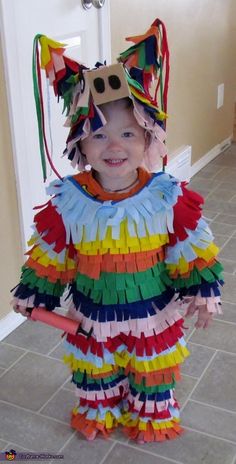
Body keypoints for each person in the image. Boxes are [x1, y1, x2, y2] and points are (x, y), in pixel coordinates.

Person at [11, 19, 223, 444]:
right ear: (79, 146)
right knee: (95, 371)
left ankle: (151, 413)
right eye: (98, 134)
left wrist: (202, 289)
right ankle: (99, 410)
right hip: (91, 315)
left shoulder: (167, 196)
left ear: (149, 140)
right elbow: (52, 254)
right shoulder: (67, 202)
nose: (114, 146)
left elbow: (189, 247)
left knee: (152, 369)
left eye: (128, 133)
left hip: (154, 313)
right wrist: (36, 294)